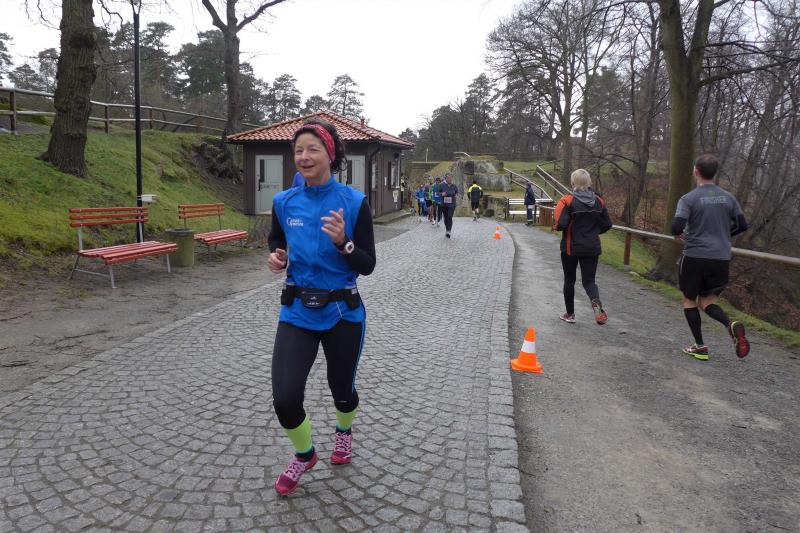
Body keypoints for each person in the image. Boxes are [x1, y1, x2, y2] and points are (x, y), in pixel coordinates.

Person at [267, 118, 376, 496]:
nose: (304, 156)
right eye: (298, 150)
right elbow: (276, 242)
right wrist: (277, 258)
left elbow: (367, 264)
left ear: (330, 155)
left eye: (312, 149)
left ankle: (344, 430)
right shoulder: (283, 202)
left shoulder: (354, 202)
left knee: (342, 390)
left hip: (343, 312)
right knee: (285, 398)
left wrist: (344, 242)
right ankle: (305, 453)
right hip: (297, 311)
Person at [671, 153, 749, 361]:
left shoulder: (688, 199)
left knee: (690, 299)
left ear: (696, 171)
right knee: (707, 301)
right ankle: (730, 324)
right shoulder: (729, 198)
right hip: (721, 257)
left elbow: (676, 227)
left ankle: (700, 346)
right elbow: (742, 225)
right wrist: (724, 235)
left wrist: (680, 234)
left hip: (695, 255)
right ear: (714, 173)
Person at [553, 169, 613, 325]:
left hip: (570, 248)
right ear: (589, 183)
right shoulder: (599, 201)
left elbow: (561, 224)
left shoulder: (567, 201)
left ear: (573, 183)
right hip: (592, 247)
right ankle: (596, 303)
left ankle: (570, 314)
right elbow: (607, 224)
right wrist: (593, 233)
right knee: (589, 281)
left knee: (569, 280)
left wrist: (559, 227)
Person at [440, 174, 459, 238]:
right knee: (445, 217)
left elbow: (457, 192)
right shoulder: (442, 185)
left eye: (450, 178)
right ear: (446, 179)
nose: (449, 179)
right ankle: (447, 229)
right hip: (444, 204)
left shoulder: (454, 186)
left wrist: (456, 195)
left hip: (452, 204)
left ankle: (449, 231)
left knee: (449, 216)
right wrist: (442, 194)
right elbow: (438, 193)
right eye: (448, 178)